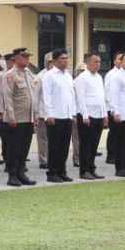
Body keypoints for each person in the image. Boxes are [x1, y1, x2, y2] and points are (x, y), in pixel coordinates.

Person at [0, 46, 42, 186]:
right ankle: (12, 175)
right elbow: (8, 97)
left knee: (24, 148)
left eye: (28, 56)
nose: (27, 59)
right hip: (16, 118)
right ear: (15, 58)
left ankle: (21, 173)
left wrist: (35, 114)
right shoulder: (10, 75)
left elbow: (33, 96)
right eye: (24, 56)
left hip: (28, 118)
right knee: (14, 148)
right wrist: (11, 117)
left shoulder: (29, 74)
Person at [40, 48, 78, 182]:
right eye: (62, 58)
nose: (65, 61)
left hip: (67, 115)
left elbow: (71, 96)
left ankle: (62, 171)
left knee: (64, 146)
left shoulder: (68, 75)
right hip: (54, 116)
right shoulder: (49, 75)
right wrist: (48, 114)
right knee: (54, 146)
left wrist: (73, 114)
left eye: (66, 58)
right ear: (55, 60)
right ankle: (52, 173)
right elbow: (47, 96)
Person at [72, 52, 109, 179]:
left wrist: (104, 115)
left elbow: (101, 97)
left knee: (94, 144)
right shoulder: (82, 78)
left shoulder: (99, 77)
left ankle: (92, 168)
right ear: (87, 63)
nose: (98, 64)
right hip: (87, 116)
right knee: (86, 145)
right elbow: (80, 98)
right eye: (95, 62)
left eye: (99, 62)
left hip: (98, 115)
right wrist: (85, 116)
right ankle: (84, 170)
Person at [35, 51, 55, 171]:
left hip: (54, 114)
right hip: (43, 113)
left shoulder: (57, 76)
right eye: (50, 62)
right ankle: (43, 160)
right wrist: (36, 114)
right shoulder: (40, 77)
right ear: (46, 63)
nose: (52, 64)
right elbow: (36, 96)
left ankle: (51, 158)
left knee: (52, 138)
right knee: (43, 139)